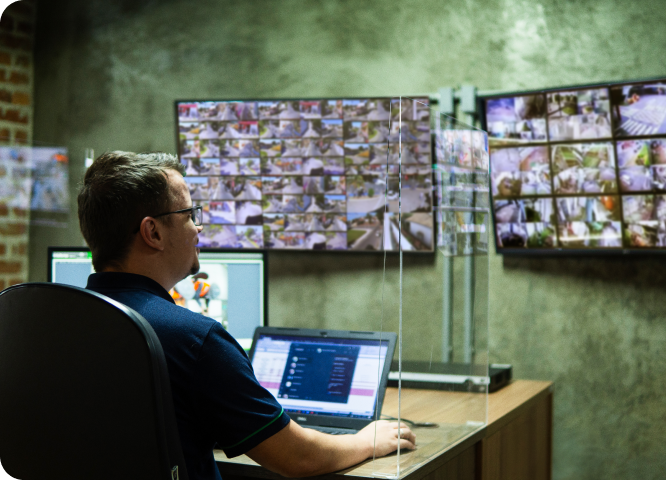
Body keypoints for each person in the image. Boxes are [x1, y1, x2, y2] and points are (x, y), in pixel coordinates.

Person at [77, 151, 415, 480]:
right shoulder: (193, 338)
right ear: (153, 233)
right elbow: (297, 458)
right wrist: (365, 441)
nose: (198, 229)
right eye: (190, 215)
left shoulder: (52, 327)